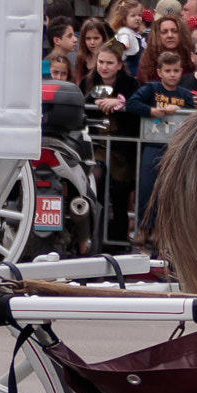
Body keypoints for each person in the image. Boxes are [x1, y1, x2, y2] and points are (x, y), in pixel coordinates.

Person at [125, 50, 194, 251]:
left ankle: (160, 230)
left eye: (175, 71)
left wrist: (178, 110)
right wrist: (151, 110)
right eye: (168, 71)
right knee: (147, 187)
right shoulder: (151, 89)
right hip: (152, 145)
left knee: (167, 190)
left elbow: (192, 115)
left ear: (181, 72)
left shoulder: (185, 95)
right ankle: (143, 227)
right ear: (160, 72)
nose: (172, 75)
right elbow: (131, 103)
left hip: (174, 148)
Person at [82, 39, 139, 245]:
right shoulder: (90, 83)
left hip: (122, 150)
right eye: (101, 62)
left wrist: (120, 102)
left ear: (119, 65)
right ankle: (94, 239)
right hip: (97, 146)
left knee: (120, 197)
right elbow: (82, 103)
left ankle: (119, 243)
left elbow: (138, 102)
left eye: (109, 63)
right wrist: (92, 101)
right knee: (96, 184)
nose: (104, 67)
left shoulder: (130, 84)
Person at [136, 11, 193, 84]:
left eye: (174, 31)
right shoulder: (147, 60)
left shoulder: (190, 58)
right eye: (164, 32)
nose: (170, 35)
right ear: (158, 35)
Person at [106, 0, 145, 76]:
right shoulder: (125, 32)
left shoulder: (136, 34)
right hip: (130, 73)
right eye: (133, 16)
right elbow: (123, 40)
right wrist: (123, 45)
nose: (137, 18)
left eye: (139, 15)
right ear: (123, 19)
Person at [72, 16, 112, 83]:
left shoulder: (110, 57)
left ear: (103, 38)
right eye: (88, 38)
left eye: (96, 38)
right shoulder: (81, 58)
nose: (92, 42)